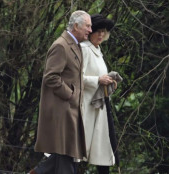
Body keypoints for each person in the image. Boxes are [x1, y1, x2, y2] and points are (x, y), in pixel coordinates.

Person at [29, 10, 92, 174]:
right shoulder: (60, 46)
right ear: (76, 26)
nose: (90, 30)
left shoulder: (75, 46)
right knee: (65, 156)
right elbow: (50, 77)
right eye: (88, 26)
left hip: (70, 111)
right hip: (62, 112)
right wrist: (70, 94)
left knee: (65, 156)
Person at [80, 14, 120, 174]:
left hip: (100, 107)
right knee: (78, 152)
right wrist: (98, 80)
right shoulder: (84, 49)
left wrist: (109, 80)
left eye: (104, 31)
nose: (101, 35)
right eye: (98, 31)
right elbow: (76, 78)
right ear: (90, 32)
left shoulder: (97, 50)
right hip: (86, 108)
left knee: (103, 149)